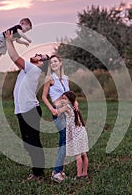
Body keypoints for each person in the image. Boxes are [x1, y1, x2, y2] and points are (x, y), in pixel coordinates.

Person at [5, 30, 48, 181]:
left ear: (41, 63)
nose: (37, 55)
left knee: (33, 142)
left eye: (40, 56)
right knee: (28, 144)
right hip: (22, 110)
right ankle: (37, 171)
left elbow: (14, 57)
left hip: (30, 111)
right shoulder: (28, 69)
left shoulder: (33, 68)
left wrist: (9, 41)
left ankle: (39, 174)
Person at [42, 55, 78, 183]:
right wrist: (51, 109)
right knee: (63, 140)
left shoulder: (66, 79)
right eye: (51, 62)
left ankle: (60, 170)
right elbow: (44, 97)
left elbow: (69, 95)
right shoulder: (49, 79)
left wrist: (75, 102)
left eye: (55, 61)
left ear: (61, 63)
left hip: (67, 112)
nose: (53, 64)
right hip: (58, 112)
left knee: (66, 141)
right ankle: (56, 172)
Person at [57, 91, 89, 180]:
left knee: (78, 156)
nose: (63, 100)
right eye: (62, 98)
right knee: (84, 154)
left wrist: (58, 105)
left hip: (76, 134)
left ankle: (79, 176)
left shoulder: (67, 107)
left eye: (65, 98)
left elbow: (57, 112)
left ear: (70, 100)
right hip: (82, 131)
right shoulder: (74, 106)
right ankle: (84, 173)